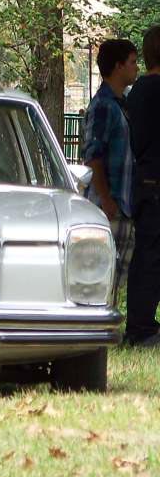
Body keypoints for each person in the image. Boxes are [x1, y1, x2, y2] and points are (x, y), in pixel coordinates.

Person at [83, 37, 139, 312]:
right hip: (110, 205)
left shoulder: (121, 104)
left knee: (117, 274)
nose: (136, 68)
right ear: (118, 67)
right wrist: (106, 200)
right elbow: (93, 155)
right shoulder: (103, 105)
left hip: (123, 204)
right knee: (103, 272)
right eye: (132, 62)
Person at [125, 26, 160, 347]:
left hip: (144, 178)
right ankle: (142, 327)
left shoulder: (137, 92)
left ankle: (142, 323)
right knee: (150, 257)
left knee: (147, 254)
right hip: (155, 182)